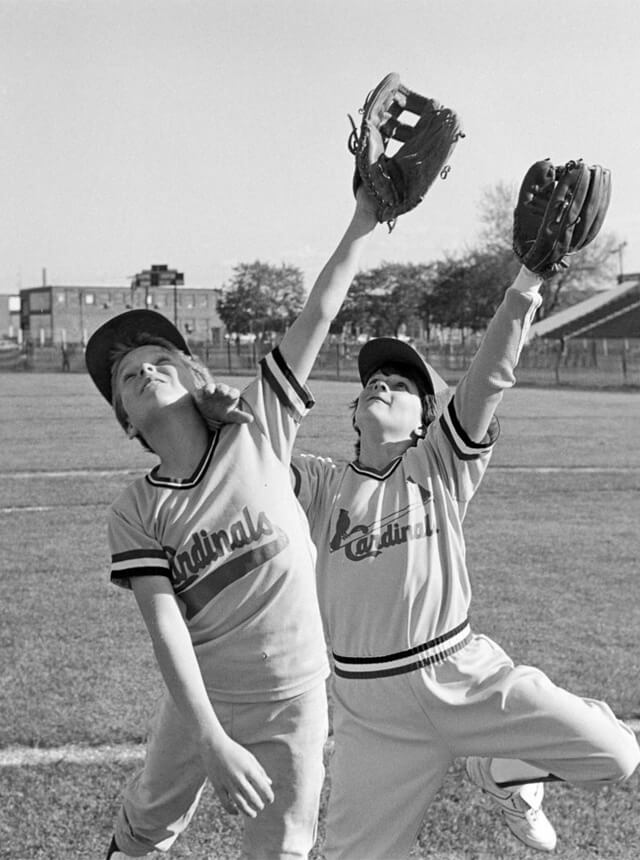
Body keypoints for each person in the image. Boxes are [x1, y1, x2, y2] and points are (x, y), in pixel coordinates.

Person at [284, 266, 640, 859]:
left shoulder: (440, 462)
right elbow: (254, 456)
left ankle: (501, 771)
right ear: (351, 414)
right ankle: (497, 771)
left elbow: (489, 376)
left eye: (399, 381)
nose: (380, 383)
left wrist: (528, 281)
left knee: (617, 756)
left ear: (427, 415)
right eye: (372, 379)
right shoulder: (324, 484)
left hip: (463, 673)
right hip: (371, 713)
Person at [85, 187, 379, 860]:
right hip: (203, 699)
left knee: (281, 849)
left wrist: (362, 220)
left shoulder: (259, 427)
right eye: (126, 376)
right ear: (126, 422)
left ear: (195, 375)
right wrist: (212, 738)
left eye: (162, 361)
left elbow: (321, 310)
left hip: (297, 696)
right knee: (145, 828)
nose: (143, 371)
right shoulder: (138, 508)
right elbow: (166, 632)